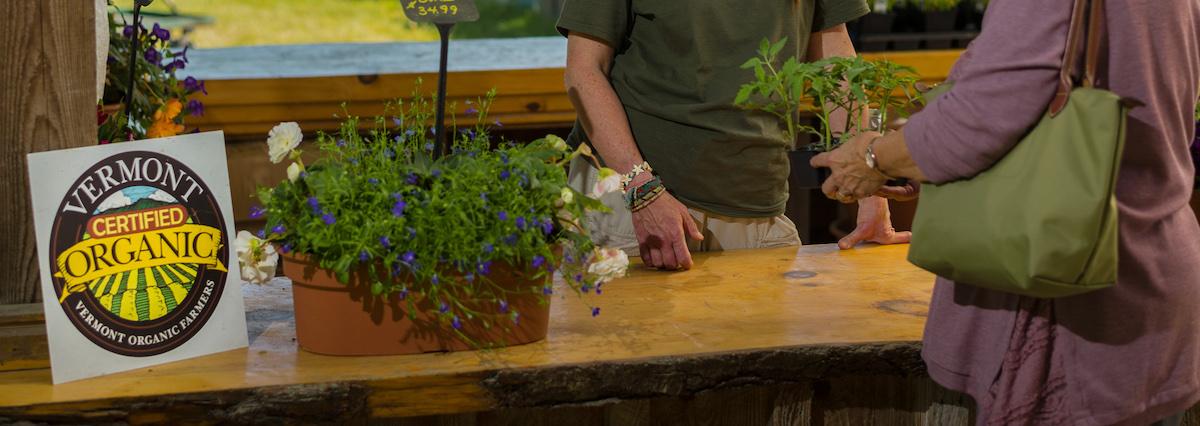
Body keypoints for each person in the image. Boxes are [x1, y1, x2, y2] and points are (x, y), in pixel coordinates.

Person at [812, 0, 1200, 424]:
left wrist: (872, 157)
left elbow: (980, 117)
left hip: (1072, 298)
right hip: (1150, 283)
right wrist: (919, 165)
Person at [556, 0, 911, 271]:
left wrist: (868, 188)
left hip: (757, 206)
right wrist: (642, 189)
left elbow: (835, 61)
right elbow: (584, 72)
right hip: (635, 205)